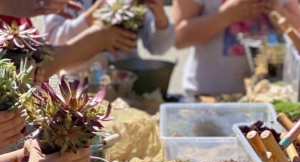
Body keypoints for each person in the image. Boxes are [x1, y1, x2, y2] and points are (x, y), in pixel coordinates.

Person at [172, 0, 300, 99]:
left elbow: (297, 29)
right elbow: (177, 38)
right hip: (208, 97)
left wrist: (278, 12)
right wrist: (227, 15)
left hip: (270, 98)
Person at [43, 0, 175, 74]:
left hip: (126, 82)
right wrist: (90, 18)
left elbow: (159, 48)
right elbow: (53, 42)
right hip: (79, 85)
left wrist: (160, 17)